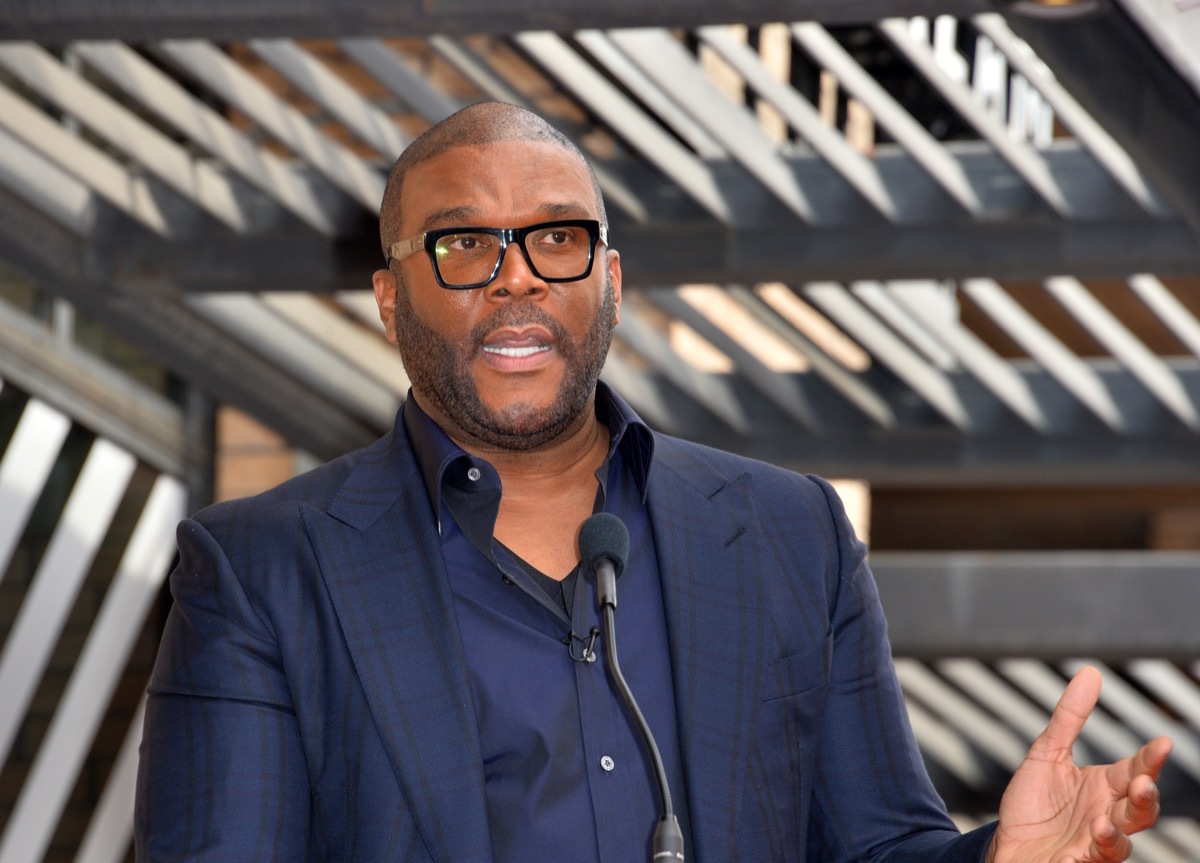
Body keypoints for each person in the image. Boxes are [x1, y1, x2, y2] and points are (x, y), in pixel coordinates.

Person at [134, 101, 1171, 862]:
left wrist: (999, 857)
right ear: (390, 300)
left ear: (610, 282)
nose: (518, 275)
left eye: (557, 237)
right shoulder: (264, 566)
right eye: (462, 246)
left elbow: (874, 847)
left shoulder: (787, 531)